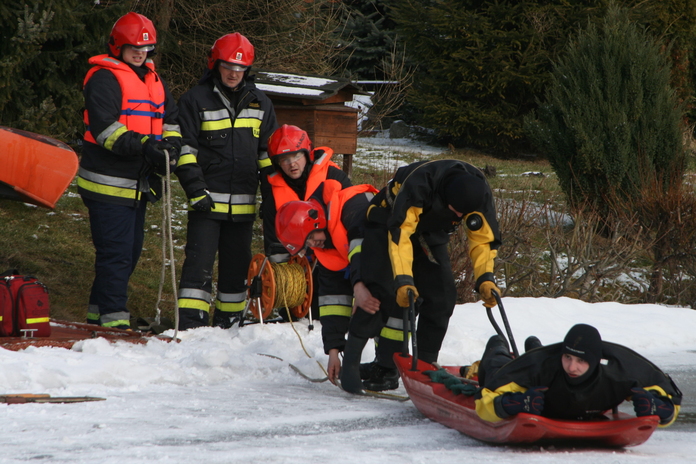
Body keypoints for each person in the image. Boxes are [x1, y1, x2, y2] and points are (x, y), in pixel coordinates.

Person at [340, 159, 502, 393]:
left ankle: (426, 369)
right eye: (455, 210)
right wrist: (404, 280)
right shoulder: (420, 184)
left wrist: (485, 277)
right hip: (388, 224)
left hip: (428, 231)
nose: (458, 216)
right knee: (381, 291)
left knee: (443, 295)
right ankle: (352, 363)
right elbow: (401, 235)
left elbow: (483, 240)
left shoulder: (479, 194)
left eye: (463, 214)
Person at [78, 12, 182, 330]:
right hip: (107, 183)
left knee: (129, 253)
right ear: (117, 47)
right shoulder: (103, 79)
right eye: (133, 47)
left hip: (137, 184)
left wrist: (172, 147)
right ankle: (114, 324)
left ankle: (97, 316)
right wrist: (145, 146)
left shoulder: (153, 80)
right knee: (117, 255)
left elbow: (171, 120)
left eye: (145, 48)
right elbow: (106, 130)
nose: (140, 53)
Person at [174, 33, 278, 329]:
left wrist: (272, 200)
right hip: (206, 203)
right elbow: (185, 151)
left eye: (241, 67)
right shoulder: (194, 100)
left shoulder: (261, 103)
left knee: (236, 271)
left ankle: (229, 324)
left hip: (243, 208)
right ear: (215, 64)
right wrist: (196, 191)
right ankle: (191, 326)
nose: (234, 73)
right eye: (228, 66)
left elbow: (268, 157)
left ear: (248, 70)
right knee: (198, 267)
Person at [474, 324, 682, 426]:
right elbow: (485, 397)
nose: (572, 367)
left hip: (543, 360)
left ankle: (534, 346)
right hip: (533, 363)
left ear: (595, 361)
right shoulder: (542, 368)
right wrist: (513, 404)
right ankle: (498, 343)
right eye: (567, 357)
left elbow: (668, 394)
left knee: (541, 359)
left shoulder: (618, 372)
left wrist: (661, 410)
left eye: (581, 361)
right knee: (495, 366)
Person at [275, 180, 378, 384]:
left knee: (378, 307)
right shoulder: (326, 252)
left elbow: (370, 253)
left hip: (394, 262)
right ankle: (381, 365)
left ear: (315, 222)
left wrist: (360, 285)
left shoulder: (353, 206)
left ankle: (386, 365)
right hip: (370, 269)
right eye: (308, 244)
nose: (314, 244)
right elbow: (333, 302)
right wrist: (333, 351)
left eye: (311, 236)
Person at [260, 124, 352, 319]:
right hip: (300, 267)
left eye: (296, 156)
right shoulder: (273, 199)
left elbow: (353, 219)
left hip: (338, 257)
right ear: (277, 164)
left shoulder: (334, 178)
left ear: (308, 154)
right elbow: (275, 246)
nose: (292, 164)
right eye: (284, 159)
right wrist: (285, 286)